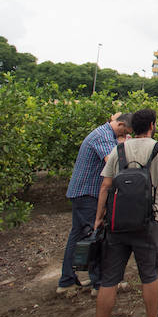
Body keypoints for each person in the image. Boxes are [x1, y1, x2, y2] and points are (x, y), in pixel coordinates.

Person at [75, 108, 158, 317]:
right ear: (152, 125)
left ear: (132, 127)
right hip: (148, 221)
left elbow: (105, 186)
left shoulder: (119, 149)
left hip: (117, 223)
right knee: (149, 274)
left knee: (109, 279)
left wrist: (99, 218)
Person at [58, 112, 132, 296]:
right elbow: (114, 164)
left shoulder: (105, 134)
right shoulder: (103, 137)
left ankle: (67, 280)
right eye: (125, 132)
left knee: (78, 236)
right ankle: (100, 284)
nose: (125, 135)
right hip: (88, 194)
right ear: (120, 125)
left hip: (83, 193)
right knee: (97, 236)